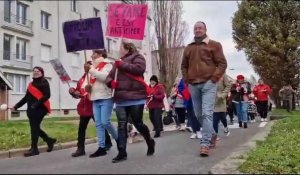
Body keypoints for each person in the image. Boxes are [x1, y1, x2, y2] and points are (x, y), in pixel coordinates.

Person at [181, 21, 227, 156]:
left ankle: (205, 144)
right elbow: (184, 66)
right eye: (195, 28)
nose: (197, 30)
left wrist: (214, 79)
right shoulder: (188, 48)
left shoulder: (214, 45)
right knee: (198, 115)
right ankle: (212, 134)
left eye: (200, 28)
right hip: (193, 85)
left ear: (205, 29)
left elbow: (222, 63)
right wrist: (186, 80)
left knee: (207, 114)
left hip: (208, 84)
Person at [106, 41, 155, 163]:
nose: (119, 50)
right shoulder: (117, 62)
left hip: (136, 97)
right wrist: (110, 83)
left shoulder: (138, 57)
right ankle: (122, 152)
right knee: (121, 125)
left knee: (138, 123)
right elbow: (109, 76)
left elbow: (139, 69)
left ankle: (149, 141)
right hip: (121, 98)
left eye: (121, 48)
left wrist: (121, 65)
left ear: (127, 48)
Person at [68, 61, 113, 157]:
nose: (86, 67)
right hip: (84, 108)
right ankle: (80, 149)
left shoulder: (94, 77)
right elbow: (79, 93)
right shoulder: (82, 79)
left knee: (100, 125)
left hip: (94, 105)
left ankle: (108, 142)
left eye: (88, 65)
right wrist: (73, 92)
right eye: (85, 66)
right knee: (81, 129)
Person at [12, 66, 56, 157]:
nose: (36, 72)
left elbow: (47, 95)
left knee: (34, 128)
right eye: (34, 71)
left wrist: (36, 104)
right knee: (35, 128)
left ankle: (34, 149)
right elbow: (26, 98)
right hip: (31, 110)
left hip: (40, 109)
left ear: (41, 72)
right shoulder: (31, 84)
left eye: (38, 71)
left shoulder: (44, 82)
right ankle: (49, 140)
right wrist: (16, 106)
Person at [84, 49, 118, 158]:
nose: (91, 55)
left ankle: (119, 139)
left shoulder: (108, 64)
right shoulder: (91, 67)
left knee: (105, 122)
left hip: (106, 97)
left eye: (94, 53)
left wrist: (91, 70)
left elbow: (104, 77)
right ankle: (101, 147)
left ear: (100, 54)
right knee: (98, 124)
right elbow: (87, 83)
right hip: (95, 98)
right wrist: (87, 87)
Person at [213, 74, 231, 140]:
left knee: (222, 116)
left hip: (220, 99)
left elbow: (228, 86)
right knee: (214, 118)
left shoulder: (223, 75)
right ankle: (214, 136)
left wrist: (223, 95)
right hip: (210, 99)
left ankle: (225, 126)